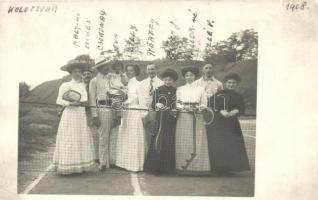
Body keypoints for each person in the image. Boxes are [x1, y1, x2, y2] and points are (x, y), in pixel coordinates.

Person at [52, 58, 96, 174]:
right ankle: (67, 166)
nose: (77, 73)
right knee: (69, 139)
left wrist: (82, 103)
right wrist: (70, 103)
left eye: (79, 71)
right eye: (74, 71)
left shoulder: (83, 85)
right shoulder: (66, 84)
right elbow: (58, 100)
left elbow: (85, 100)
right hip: (70, 114)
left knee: (79, 138)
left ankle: (79, 166)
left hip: (80, 115)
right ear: (71, 73)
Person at [206, 73, 250, 175]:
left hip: (232, 124)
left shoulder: (239, 96)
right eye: (229, 82)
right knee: (219, 144)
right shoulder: (218, 94)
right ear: (225, 83)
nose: (231, 84)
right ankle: (218, 169)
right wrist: (220, 111)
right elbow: (210, 105)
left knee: (232, 145)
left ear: (236, 84)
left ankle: (230, 168)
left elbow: (241, 108)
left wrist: (235, 111)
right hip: (218, 124)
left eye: (234, 83)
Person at [175, 66, 211, 175]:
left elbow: (204, 104)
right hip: (184, 117)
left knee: (198, 142)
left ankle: (198, 168)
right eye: (187, 75)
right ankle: (182, 167)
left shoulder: (200, 89)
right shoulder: (180, 89)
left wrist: (197, 108)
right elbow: (177, 103)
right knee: (184, 141)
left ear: (195, 76)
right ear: (184, 77)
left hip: (197, 117)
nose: (189, 77)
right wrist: (184, 108)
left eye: (191, 75)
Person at [144, 68, 178, 174]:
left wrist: (175, 109)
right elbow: (153, 105)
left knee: (169, 141)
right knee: (158, 140)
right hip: (161, 119)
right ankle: (155, 168)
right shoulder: (158, 90)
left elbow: (178, 104)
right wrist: (157, 105)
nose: (168, 82)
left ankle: (168, 169)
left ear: (173, 81)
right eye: (166, 79)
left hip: (171, 119)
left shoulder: (176, 91)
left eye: (170, 80)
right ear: (163, 79)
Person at [115, 64, 147, 172]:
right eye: (127, 70)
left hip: (135, 113)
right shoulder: (125, 84)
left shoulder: (139, 84)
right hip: (126, 113)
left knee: (134, 138)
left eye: (131, 70)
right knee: (125, 136)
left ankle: (135, 165)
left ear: (136, 72)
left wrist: (143, 115)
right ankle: (124, 163)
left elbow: (143, 101)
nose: (129, 72)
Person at [89, 55, 114, 171]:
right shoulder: (94, 81)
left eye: (107, 65)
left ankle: (110, 161)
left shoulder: (110, 78)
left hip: (112, 109)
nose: (107, 68)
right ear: (99, 68)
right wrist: (95, 115)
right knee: (103, 137)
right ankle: (102, 163)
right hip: (102, 109)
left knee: (111, 136)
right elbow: (92, 99)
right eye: (104, 66)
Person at [82, 68, 99, 164]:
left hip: (92, 112)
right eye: (84, 74)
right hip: (81, 112)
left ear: (91, 75)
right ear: (82, 76)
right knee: (83, 134)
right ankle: (85, 156)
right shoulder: (80, 86)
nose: (87, 76)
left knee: (94, 134)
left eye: (88, 74)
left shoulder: (94, 86)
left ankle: (96, 156)